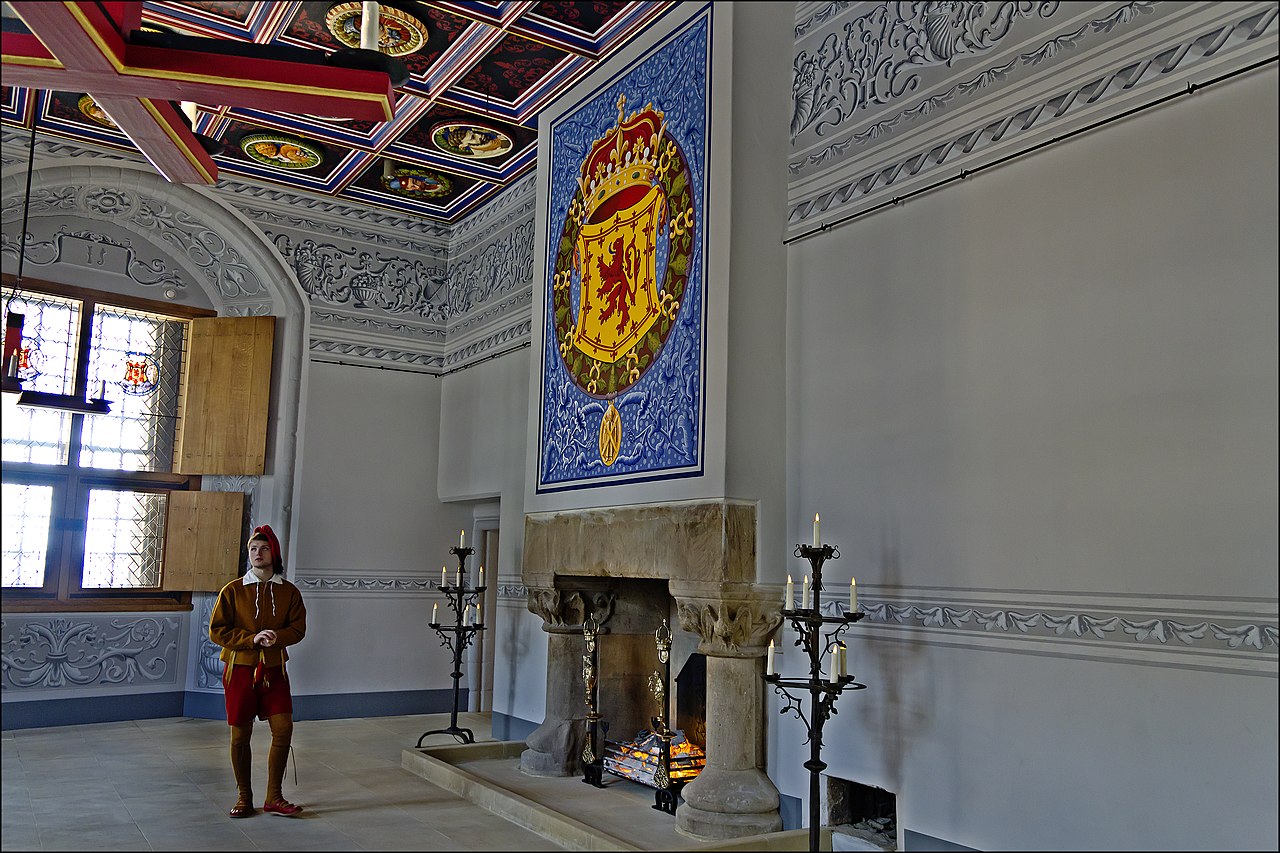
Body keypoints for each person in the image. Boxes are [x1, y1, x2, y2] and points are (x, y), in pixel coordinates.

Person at [209, 524, 307, 818]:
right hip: (239, 670)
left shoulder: (289, 592)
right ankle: (244, 796)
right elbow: (217, 630)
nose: (257, 554)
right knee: (240, 735)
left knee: (284, 729)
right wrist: (250, 639)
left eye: (263, 549)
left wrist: (278, 637)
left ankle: (274, 797)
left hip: (275, 671)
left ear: (273, 553)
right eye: (253, 549)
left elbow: (298, 628)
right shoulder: (233, 590)